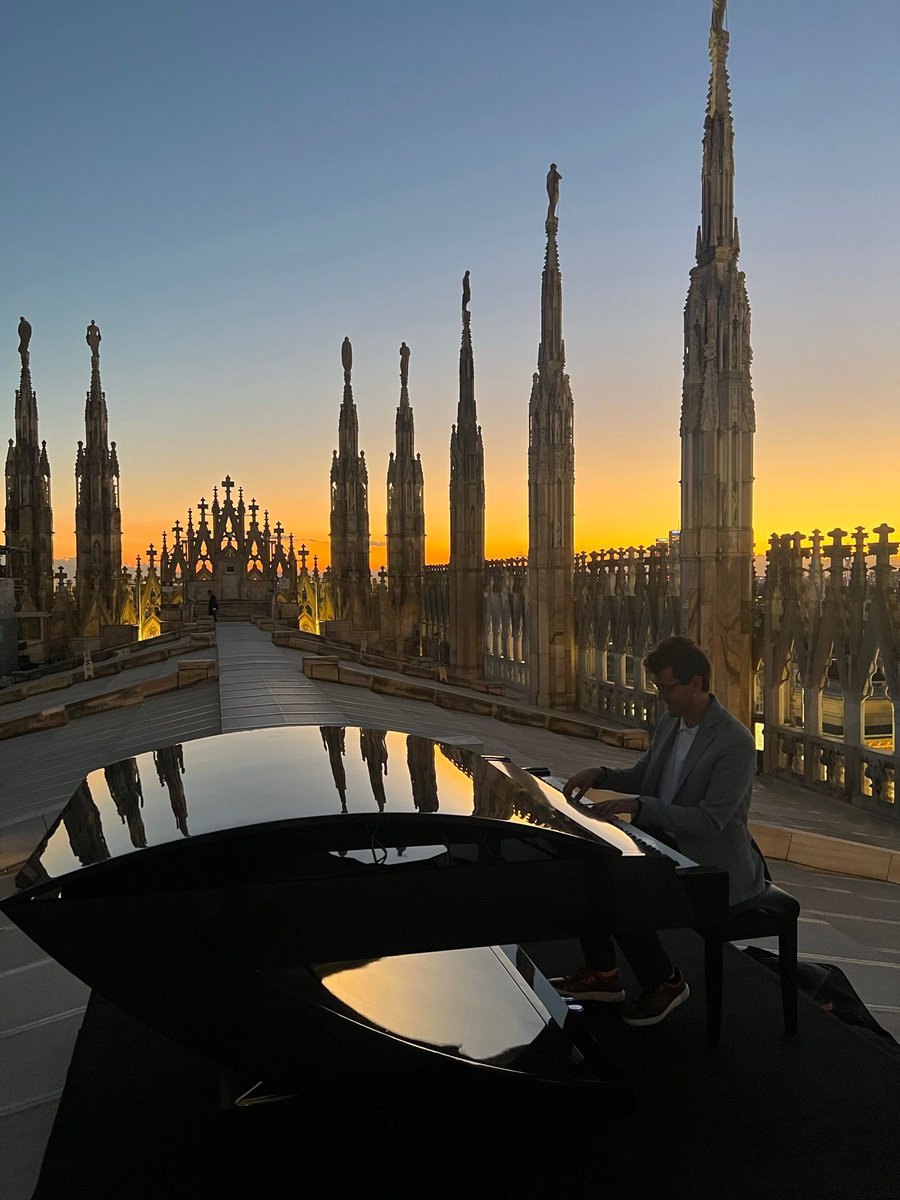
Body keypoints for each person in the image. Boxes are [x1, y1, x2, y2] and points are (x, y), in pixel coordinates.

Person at [555, 635, 765, 1026]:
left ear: (697, 683)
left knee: (624, 887)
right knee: (588, 866)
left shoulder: (735, 742)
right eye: (659, 688)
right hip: (661, 840)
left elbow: (710, 822)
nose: (662, 697)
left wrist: (640, 806)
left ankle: (664, 982)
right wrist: (601, 775)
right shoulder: (670, 721)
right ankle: (603, 975)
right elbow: (646, 775)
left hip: (709, 862)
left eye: (668, 688)